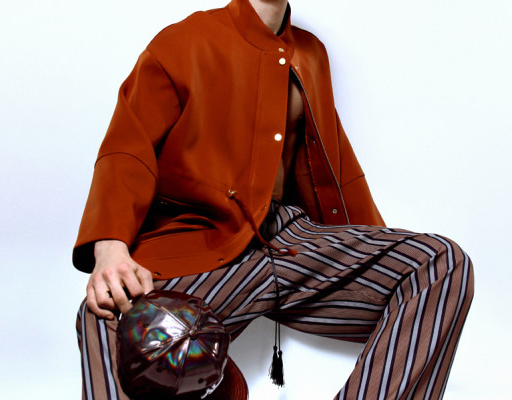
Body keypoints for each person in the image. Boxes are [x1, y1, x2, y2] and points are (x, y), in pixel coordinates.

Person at [74, 0, 474, 399]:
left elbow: (333, 165)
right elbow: (127, 150)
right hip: (203, 240)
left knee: (439, 262)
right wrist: (110, 248)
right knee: (105, 314)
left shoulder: (311, 53)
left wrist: (370, 253)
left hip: (288, 240)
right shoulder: (182, 42)